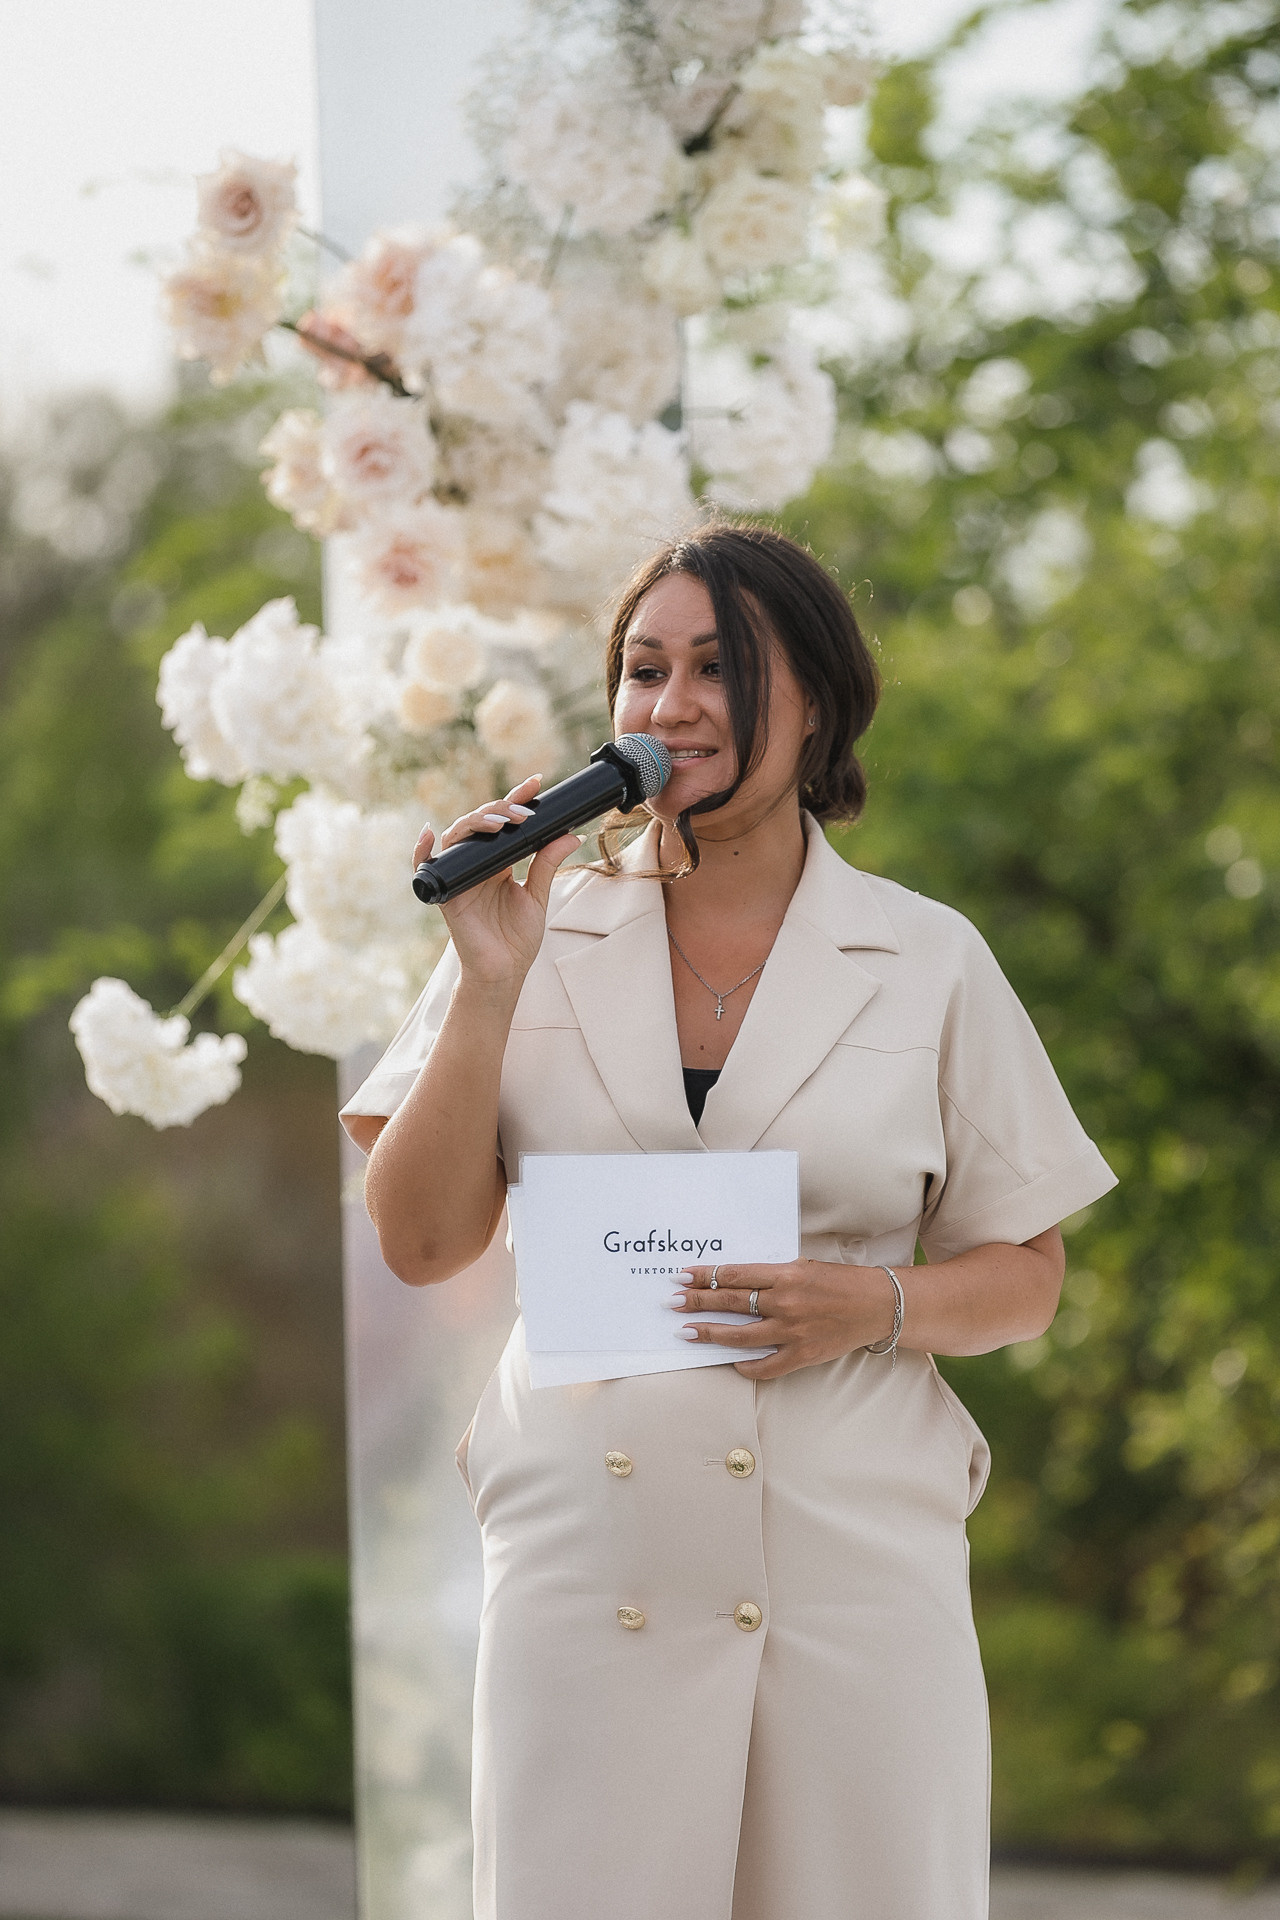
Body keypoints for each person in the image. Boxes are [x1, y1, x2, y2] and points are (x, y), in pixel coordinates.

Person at [340, 520, 1117, 1920]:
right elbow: (421, 1243)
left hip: (855, 1570)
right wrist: (489, 982)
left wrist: (876, 1305)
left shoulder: (928, 958)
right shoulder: (527, 932)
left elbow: (1028, 1274)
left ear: (817, 704)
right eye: (645, 670)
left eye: (720, 669)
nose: (674, 704)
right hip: (591, 1568)